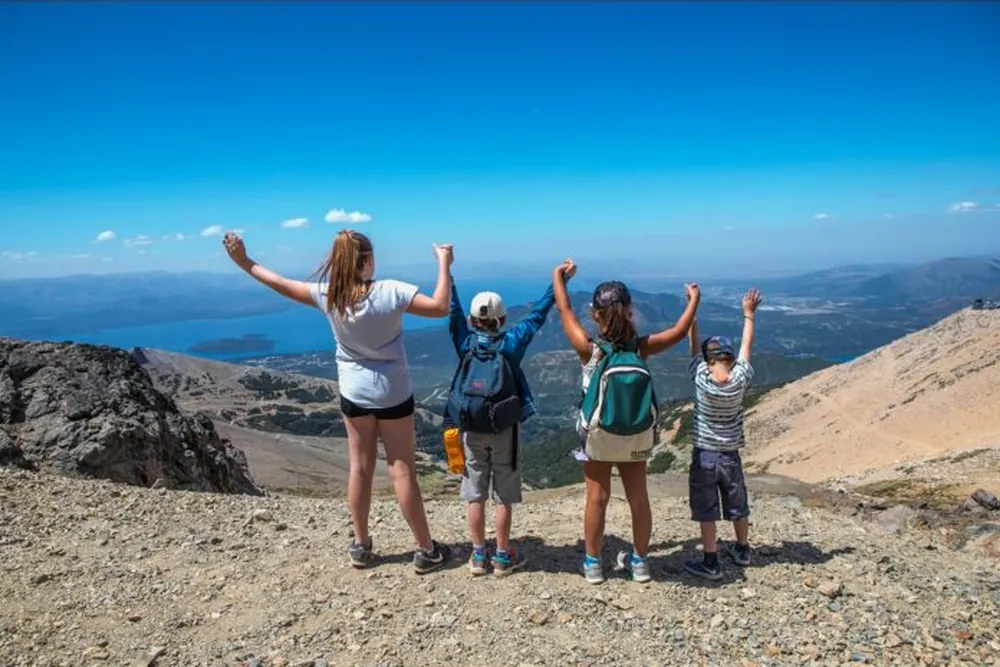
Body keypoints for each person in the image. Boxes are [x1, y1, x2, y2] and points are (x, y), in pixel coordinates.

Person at [222, 228, 453, 574]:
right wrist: (444, 263)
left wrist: (243, 261)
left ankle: (361, 545)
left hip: (354, 393)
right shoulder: (391, 291)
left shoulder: (329, 295)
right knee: (401, 468)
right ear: (368, 259)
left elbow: (278, 282)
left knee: (359, 467)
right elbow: (440, 307)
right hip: (393, 392)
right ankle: (425, 549)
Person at [552, 261, 701, 584]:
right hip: (636, 434)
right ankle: (641, 562)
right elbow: (678, 332)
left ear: (594, 314)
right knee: (639, 498)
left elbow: (564, 310)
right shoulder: (641, 348)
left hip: (598, 436)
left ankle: (593, 564)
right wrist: (693, 302)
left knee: (596, 498)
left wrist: (558, 278)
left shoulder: (590, 350)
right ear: (631, 311)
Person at [445, 267, 563, 576]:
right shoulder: (510, 344)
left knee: (475, 494)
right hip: (505, 430)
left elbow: (453, 313)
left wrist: (448, 273)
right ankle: (501, 556)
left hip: (471, 428)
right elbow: (537, 316)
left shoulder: (465, 343)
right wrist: (557, 283)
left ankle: (478, 556)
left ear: (473, 322)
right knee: (502, 497)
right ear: (503, 320)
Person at [682, 288, 762, 581]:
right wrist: (749, 314)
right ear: (729, 358)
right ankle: (742, 549)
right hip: (730, 455)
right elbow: (747, 346)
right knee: (737, 503)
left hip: (704, 455)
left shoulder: (701, 376)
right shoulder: (740, 378)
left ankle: (711, 560)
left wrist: (693, 310)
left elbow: (693, 347)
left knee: (707, 508)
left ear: (707, 359)